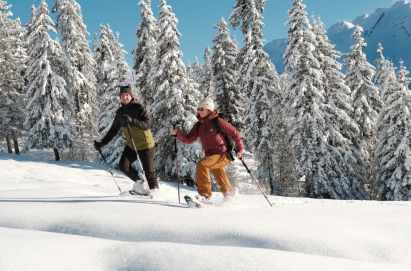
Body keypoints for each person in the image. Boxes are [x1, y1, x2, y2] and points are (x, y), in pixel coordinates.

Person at [171, 98, 244, 205]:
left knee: (202, 165)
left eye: (202, 109)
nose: (199, 111)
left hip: (222, 155)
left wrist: (240, 150)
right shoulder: (199, 125)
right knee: (222, 179)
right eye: (198, 109)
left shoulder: (218, 121)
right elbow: (189, 139)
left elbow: (235, 133)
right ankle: (231, 200)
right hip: (211, 157)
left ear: (209, 109)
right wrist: (178, 134)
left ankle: (205, 196)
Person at [94, 86, 158, 192]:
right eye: (122, 96)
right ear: (120, 98)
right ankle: (141, 182)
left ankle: (156, 195)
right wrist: (102, 143)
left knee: (149, 173)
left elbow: (146, 125)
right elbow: (113, 130)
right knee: (124, 166)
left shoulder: (139, 108)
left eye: (126, 95)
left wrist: (131, 120)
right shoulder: (120, 112)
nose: (125, 97)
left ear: (131, 96)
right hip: (132, 146)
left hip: (145, 145)